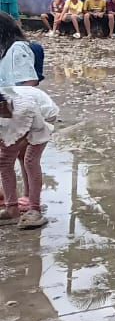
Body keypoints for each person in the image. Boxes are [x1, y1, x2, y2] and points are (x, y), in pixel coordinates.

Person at [0, 85, 58, 229]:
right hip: (17, 114)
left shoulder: (22, 108)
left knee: (30, 160)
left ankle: (35, 209)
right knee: (4, 161)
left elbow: (40, 130)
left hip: (43, 116)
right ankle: (12, 209)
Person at [0, 13, 39, 88]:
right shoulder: (3, 49)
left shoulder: (17, 48)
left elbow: (31, 81)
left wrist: (10, 98)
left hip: (14, 96)